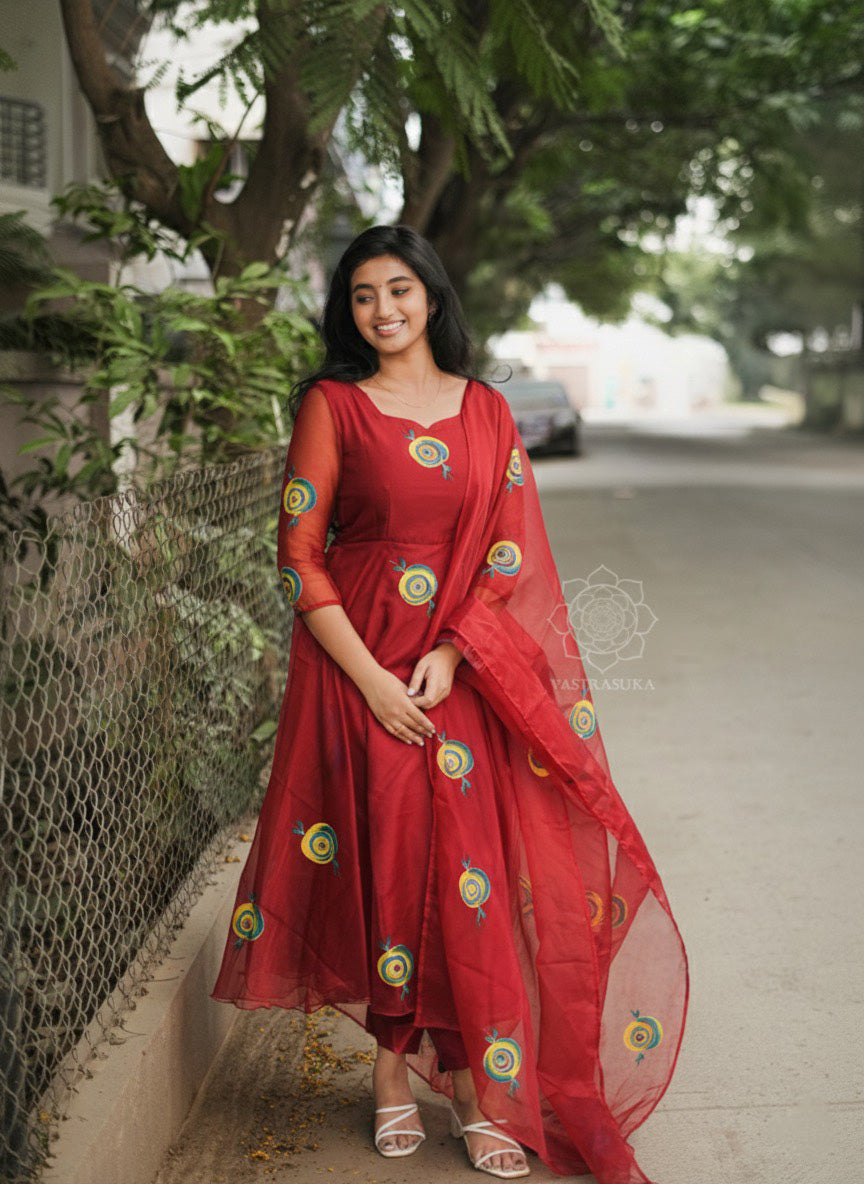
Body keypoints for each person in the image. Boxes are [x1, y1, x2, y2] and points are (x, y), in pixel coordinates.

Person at [210, 225, 688, 1183]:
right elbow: (299, 556)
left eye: (399, 290)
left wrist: (452, 652)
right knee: (390, 863)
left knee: (471, 872)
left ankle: (475, 1088)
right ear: (348, 312)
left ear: (432, 296)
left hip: (457, 672)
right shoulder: (334, 406)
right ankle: (391, 1077)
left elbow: (508, 551)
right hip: (359, 673)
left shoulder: (486, 412)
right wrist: (375, 679)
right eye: (361, 297)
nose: (382, 311)